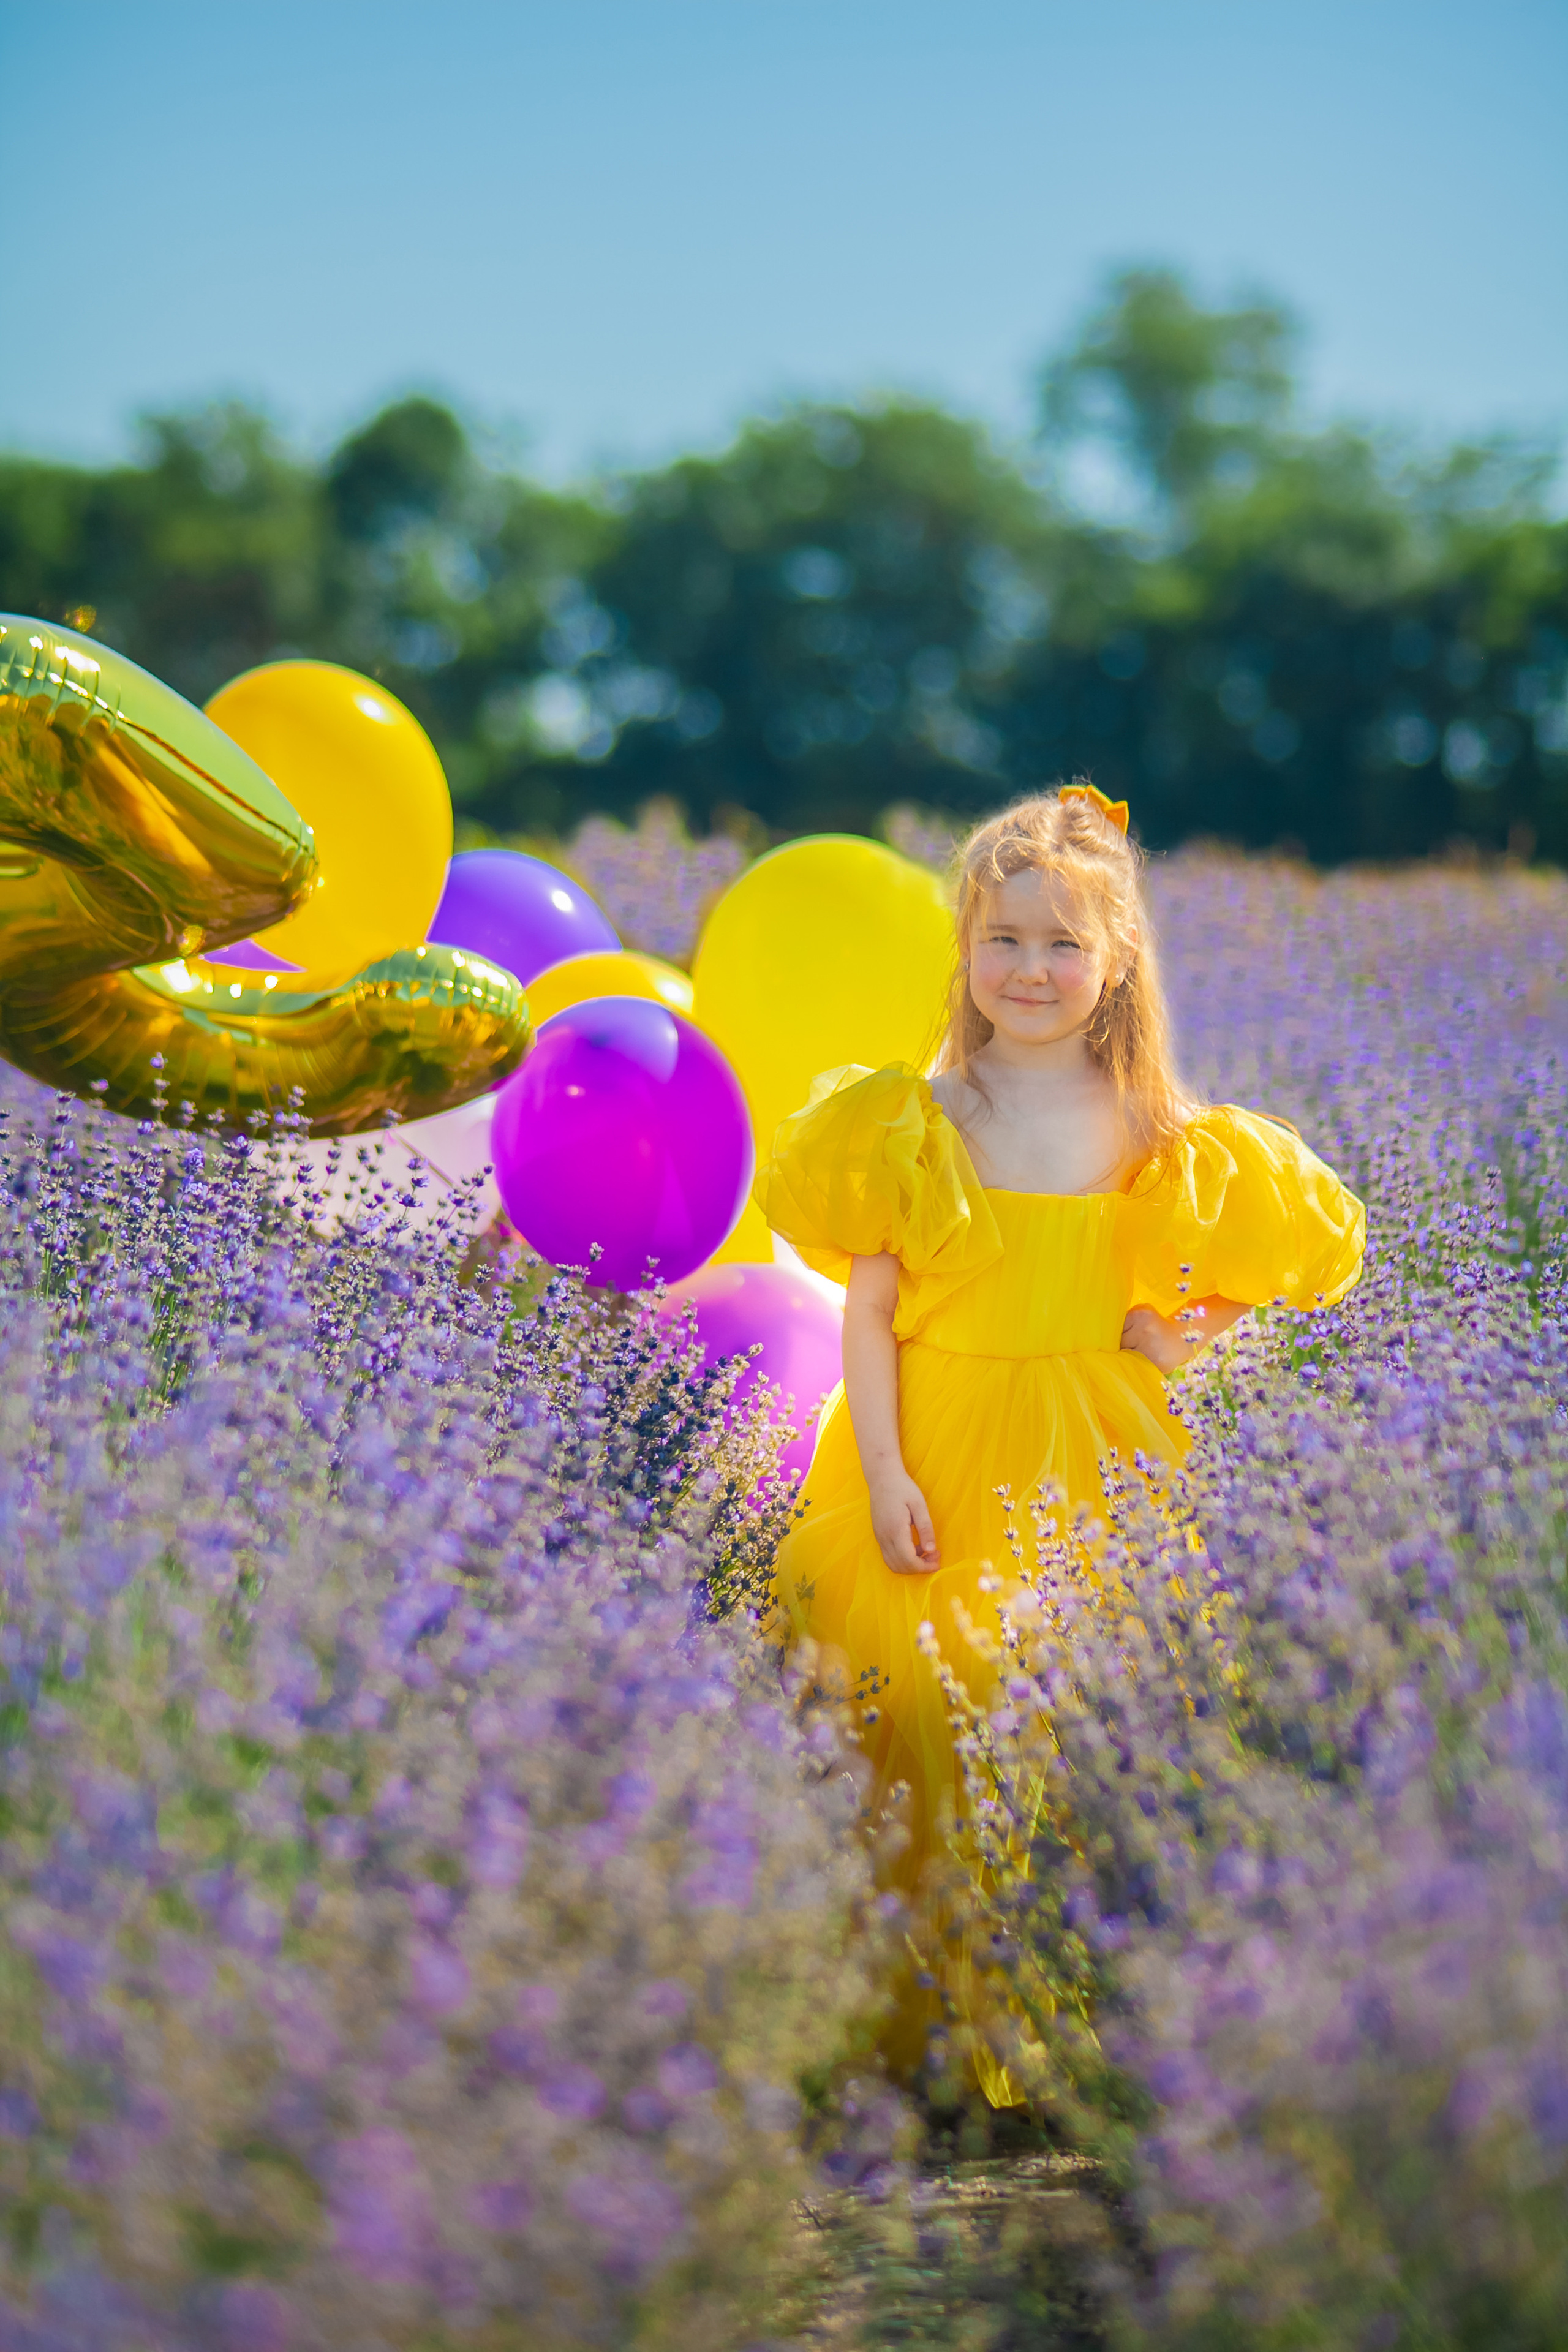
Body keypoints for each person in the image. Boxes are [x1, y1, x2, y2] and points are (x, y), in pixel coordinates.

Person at [755, 785, 1365, 2090]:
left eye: (1061, 944)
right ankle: (915, 2035)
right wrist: (878, 1474)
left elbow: (1273, 1240)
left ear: (1115, 961)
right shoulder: (920, 1114)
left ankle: (1052, 2033)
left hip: (1093, 1451)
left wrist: (1178, 1339)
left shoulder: (1150, 1124)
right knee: (913, 1706)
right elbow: (865, 1315)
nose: (1029, 969)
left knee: (1074, 1717)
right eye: (1004, 939)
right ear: (965, 950)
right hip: (933, 1445)